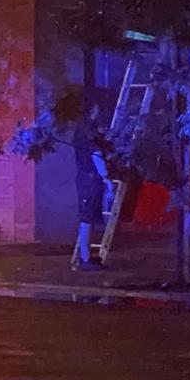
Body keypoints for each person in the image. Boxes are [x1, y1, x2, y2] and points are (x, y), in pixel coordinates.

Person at [72, 110, 112, 271]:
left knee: (89, 219)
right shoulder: (88, 139)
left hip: (87, 181)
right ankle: (85, 259)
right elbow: (96, 156)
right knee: (87, 220)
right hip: (90, 182)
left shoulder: (80, 136)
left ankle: (87, 257)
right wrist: (106, 178)